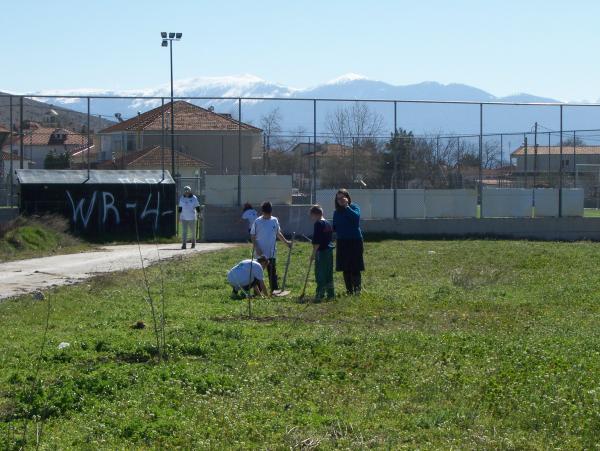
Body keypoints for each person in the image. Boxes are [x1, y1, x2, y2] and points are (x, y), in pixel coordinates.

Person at [250, 201, 291, 293]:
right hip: (260, 253)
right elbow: (252, 235)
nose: (268, 216)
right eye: (266, 213)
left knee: (272, 272)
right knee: (258, 272)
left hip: (271, 252)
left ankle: (274, 290)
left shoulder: (274, 220)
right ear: (263, 212)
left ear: (271, 212)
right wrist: (256, 247)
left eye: (269, 213)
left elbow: (278, 233)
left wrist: (286, 242)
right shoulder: (257, 221)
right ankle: (257, 292)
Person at [332, 189, 364, 295]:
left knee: (355, 266)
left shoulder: (354, 207)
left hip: (355, 241)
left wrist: (347, 207)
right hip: (342, 241)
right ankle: (349, 290)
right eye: (338, 198)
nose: (340, 200)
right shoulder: (336, 212)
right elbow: (335, 227)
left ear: (347, 198)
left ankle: (357, 290)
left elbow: (356, 219)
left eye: (342, 198)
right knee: (345, 267)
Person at [310, 205, 335, 300]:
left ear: (315, 214)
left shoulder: (318, 223)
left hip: (321, 252)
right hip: (329, 251)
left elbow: (317, 242)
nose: (311, 217)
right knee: (328, 272)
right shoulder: (328, 223)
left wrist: (313, 254)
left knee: (320, 273)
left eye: (311, 215)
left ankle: (320, 294)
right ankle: (331, 294)